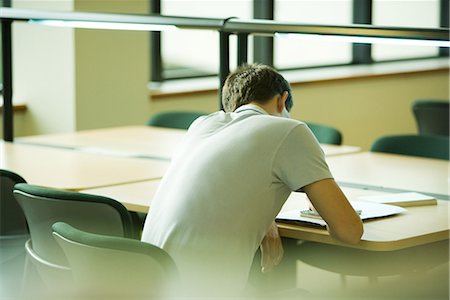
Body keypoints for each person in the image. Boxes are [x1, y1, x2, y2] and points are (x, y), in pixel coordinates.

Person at [141, 63, 363, 296]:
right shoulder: (289, 129)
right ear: (282, 100)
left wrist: (265, 219)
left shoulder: (202, 125)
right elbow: (349, 231)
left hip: (153, 288)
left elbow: (224, 185)